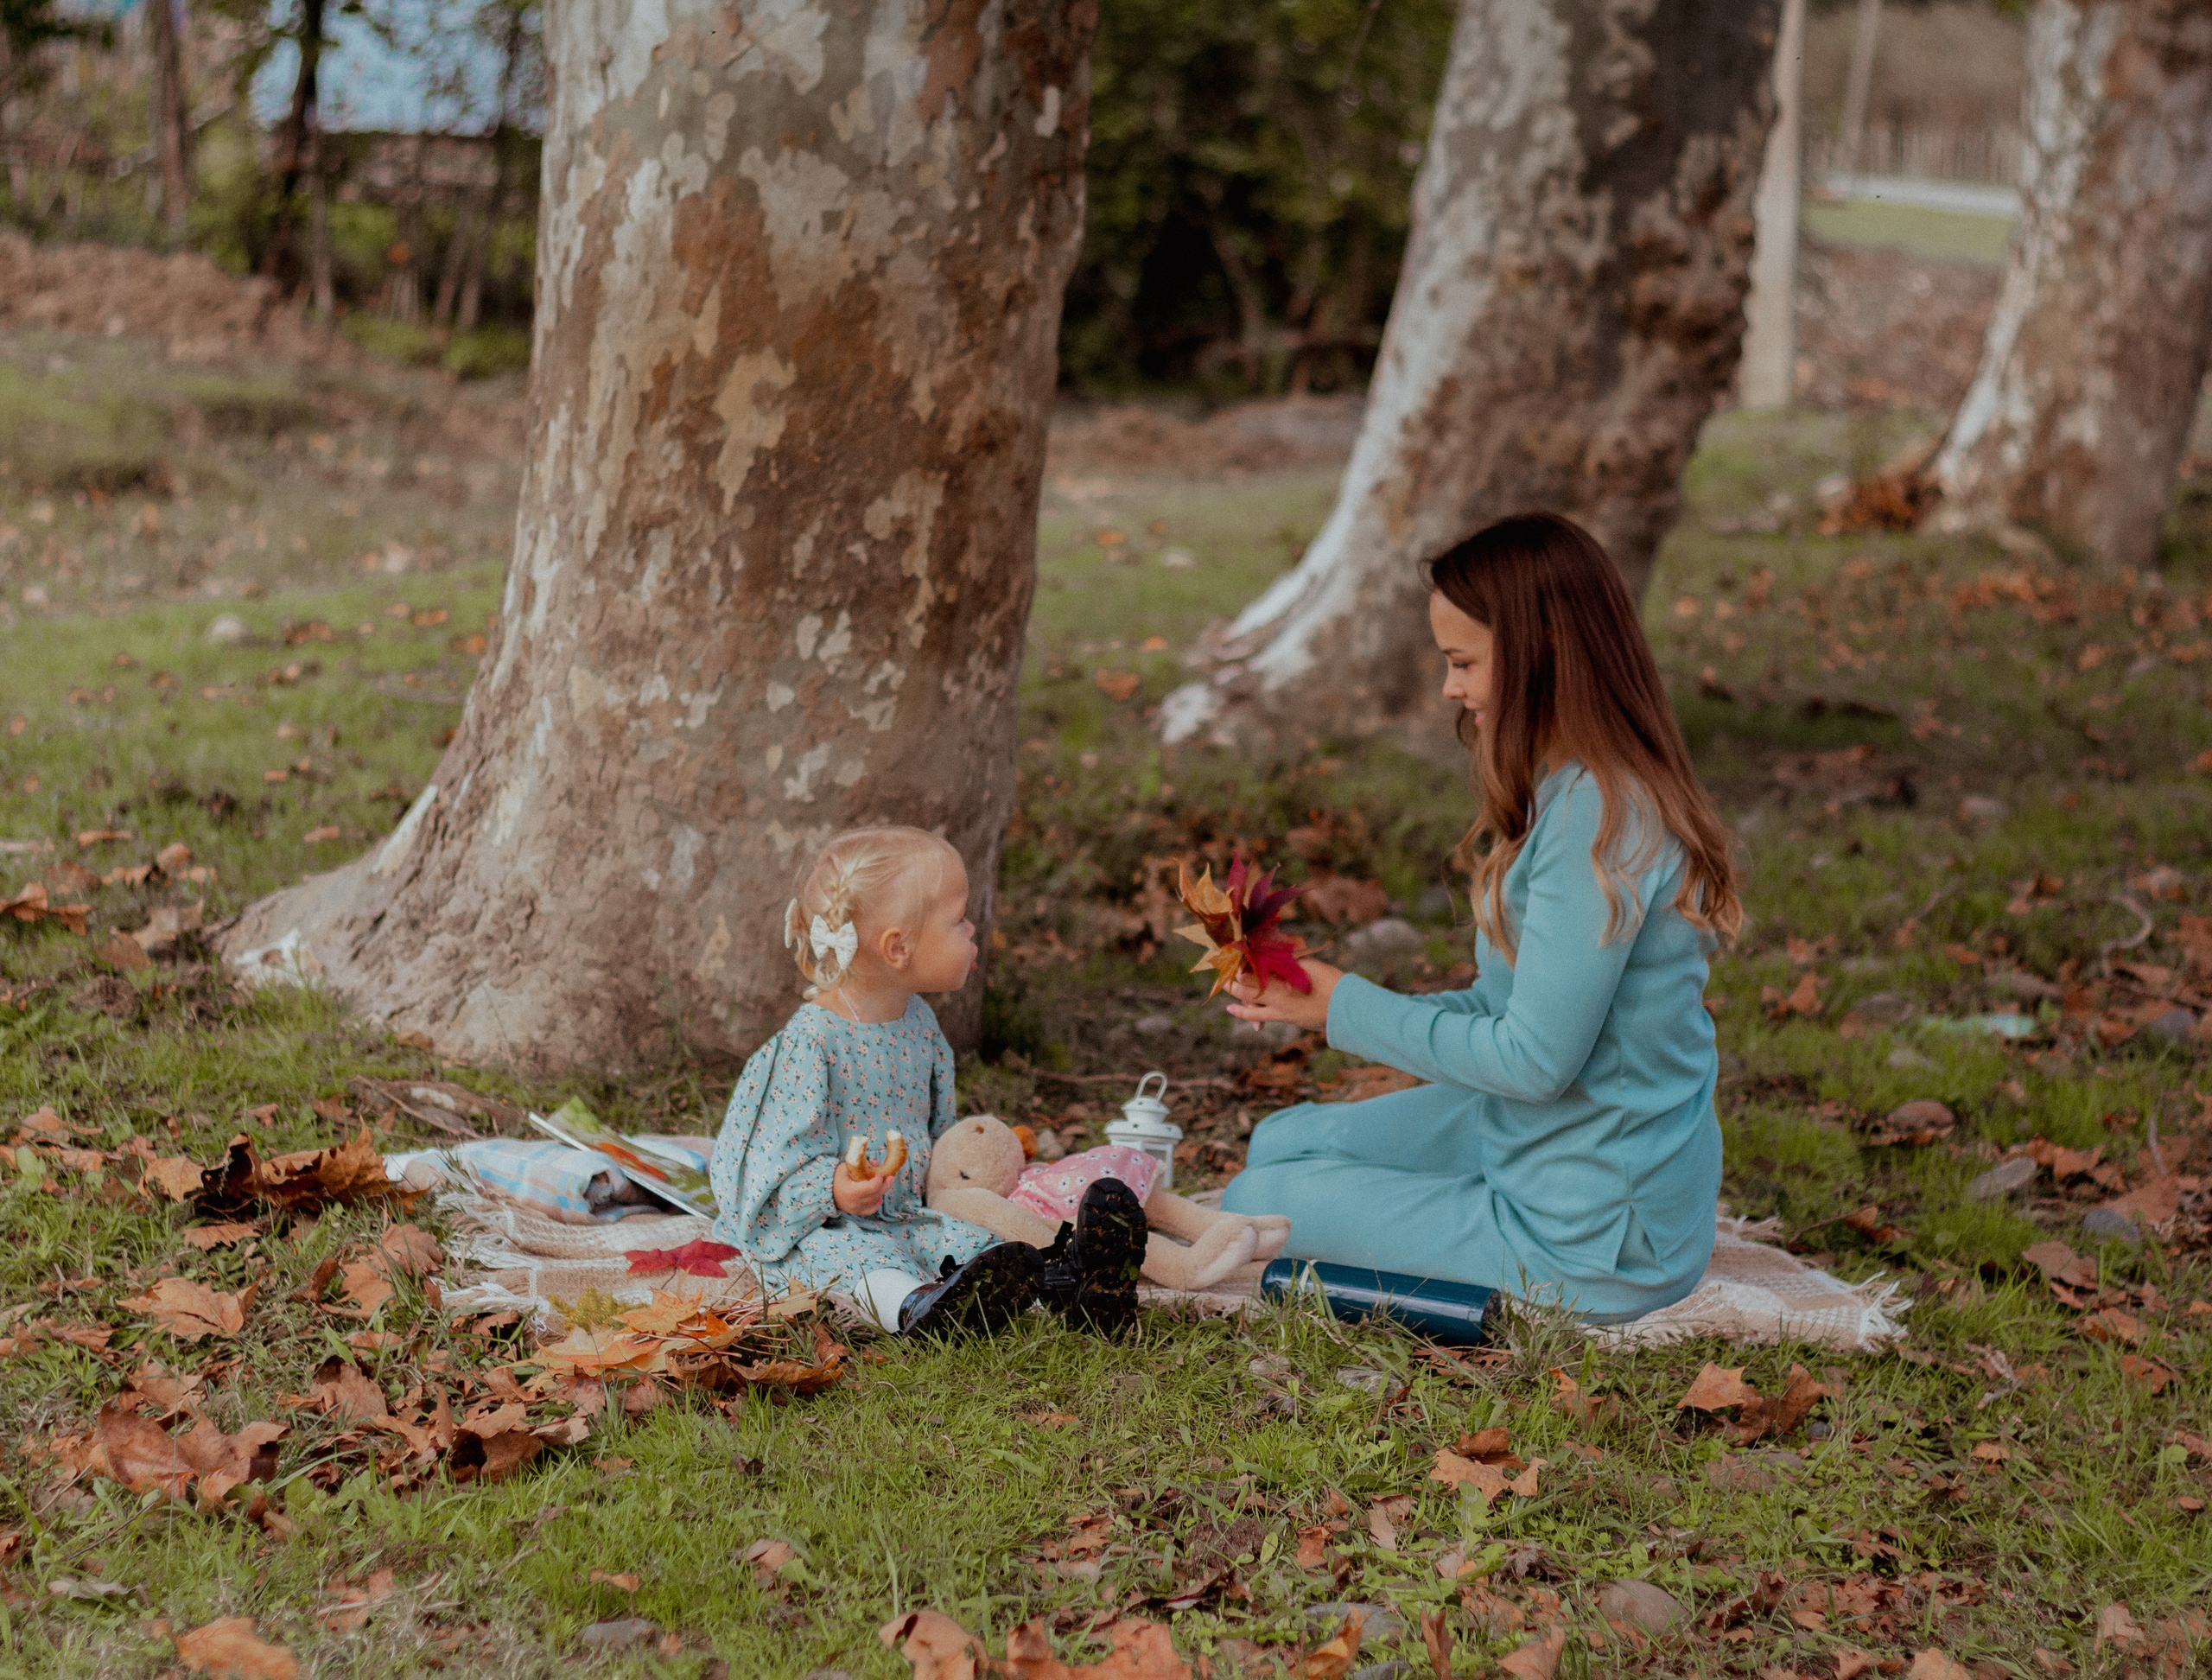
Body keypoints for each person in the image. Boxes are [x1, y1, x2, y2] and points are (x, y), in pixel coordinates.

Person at [1219, 512, 1742, 1323]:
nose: (1449, 689)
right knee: (1282, 1144)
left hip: (1594, 1237)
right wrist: (1329, 1001)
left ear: (1543, 653)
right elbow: (1514, 1015)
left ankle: (1469, 1222)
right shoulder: (1576, 789)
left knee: (1259, 1198)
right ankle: (1439, 1204)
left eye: (1463, 662)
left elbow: (1533, 1061)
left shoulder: (1601, 820)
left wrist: (1344, 1006)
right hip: (1551, 1139)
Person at [708, 826, 1146, 1336]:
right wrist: (834, 1189)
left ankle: (1070, 1285)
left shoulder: (918, 1024)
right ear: (898, 948)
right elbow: (764, 1166)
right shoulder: (810, 1045)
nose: (973, 931)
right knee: (854, 1257)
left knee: (972, 1243)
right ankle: (916, 1308)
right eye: (958, 920)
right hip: (822, 1224)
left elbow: (938, 1135)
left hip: (907, 1215)